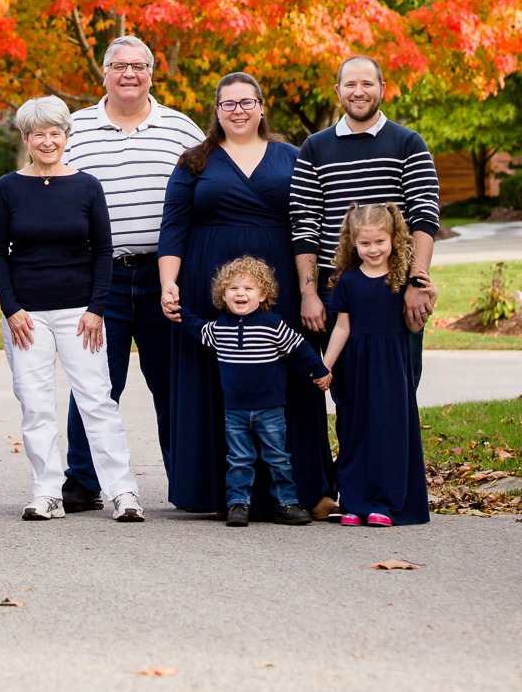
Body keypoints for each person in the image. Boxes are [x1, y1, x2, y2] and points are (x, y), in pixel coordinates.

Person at [159, 71, 335, 517]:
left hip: (280, 279)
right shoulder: (194, 161)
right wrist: (168, 282)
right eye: (228, 103)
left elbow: (307, 228)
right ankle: (221, 493)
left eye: (246, 102)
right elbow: (173, 227)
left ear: (261, 106)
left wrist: (308, 289)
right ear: (216, 111)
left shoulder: (292, 157)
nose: (238, 110)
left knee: (287, 372)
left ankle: (299, 490)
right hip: (208, 281)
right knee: (214, 375)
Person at [61, 36, 204, 512]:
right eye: (118, 65)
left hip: (166, 277)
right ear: (103, 73)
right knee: (97, 382)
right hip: (99, 279)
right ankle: (83, 479)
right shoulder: (75, 128)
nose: (129, 74)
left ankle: (187, 482)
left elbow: (201, 197)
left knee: (172, 382)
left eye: (138, 66)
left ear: (151, 73)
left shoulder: (180, 128)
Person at [0, 96, 144, 522]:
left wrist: (96, 308)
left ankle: (123, 492)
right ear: (25, 137)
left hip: (81, 314)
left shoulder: (86, 186)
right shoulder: (8, 188)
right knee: (35, 405)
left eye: (55, 132)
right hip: (27, 316)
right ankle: (47, 491)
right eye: (38, 133)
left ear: (66, 136)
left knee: (97, 400)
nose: (47, 140)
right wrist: (12, 308)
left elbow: (103, 251)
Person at [289, 55, 440, 386]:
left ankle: (400, 440)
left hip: (396, 284)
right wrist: (308, 293)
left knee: (399, 383)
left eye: (368, 83)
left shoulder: (409, 143)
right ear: (338, 90)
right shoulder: (314, 148)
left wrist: (416, 282)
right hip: (336, 287)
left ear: (382, 89)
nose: (359, 92)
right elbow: (304, 224)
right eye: (351, 84)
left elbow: (425, 217)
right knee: (346, 387)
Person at [180, 256, 331, 527]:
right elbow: (195, 327)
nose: (241, 294)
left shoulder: (272, 325)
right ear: (223, 295)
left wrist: (320, 371)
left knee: (278, 458)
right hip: (235, 411)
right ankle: (238, 504)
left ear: (262, 295)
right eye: (233, 289)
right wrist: (177, 312)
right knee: (239, 459)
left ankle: (286, 503)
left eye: (248, 289)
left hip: (270, 409)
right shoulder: (219, 329)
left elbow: (300, 348)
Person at [323, 203, 431, 527]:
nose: (373, 249)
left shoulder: (403, 280)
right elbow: (342, 327)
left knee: (388, 431)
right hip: (355, 364)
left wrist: (431, 296)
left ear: (393, 239)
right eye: (365, 243)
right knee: (355, 431)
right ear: (352, 243)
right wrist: (325, 365)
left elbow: (414, 325)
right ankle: (355, 502)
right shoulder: (347, 281)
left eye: (379, 242)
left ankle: (386, 503)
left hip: (391, 365)